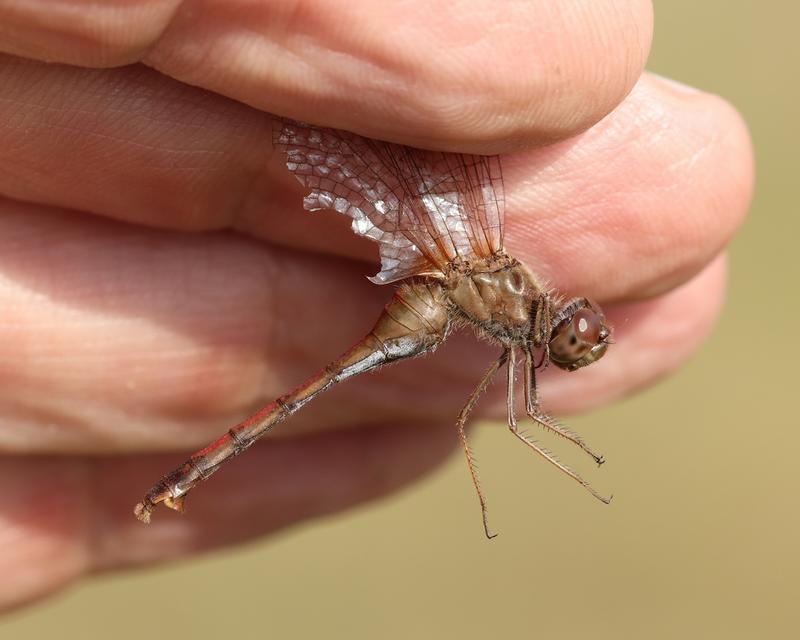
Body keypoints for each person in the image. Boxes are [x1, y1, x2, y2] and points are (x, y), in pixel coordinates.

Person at [0, 1, 752, 611]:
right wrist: (580, 461)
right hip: (433, 298)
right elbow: (520, 420)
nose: (577, 339)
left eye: (578, 339)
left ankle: (180, 480)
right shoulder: (509, 300)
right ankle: (186, 476)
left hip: (437, 301)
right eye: (577, 337)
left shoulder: (514, 321)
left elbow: (521, 415)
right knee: (364, 403)